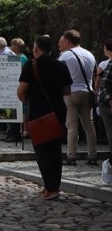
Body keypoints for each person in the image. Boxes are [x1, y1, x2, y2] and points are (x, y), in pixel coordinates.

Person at [17, 35, 72, 200]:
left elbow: (21, 91)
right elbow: (67, 90)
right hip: (57, 112)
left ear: (36, 48)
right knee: (55, 150)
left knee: (42, 151)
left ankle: (50, 188)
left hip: (39, 112)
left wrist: (28, 98)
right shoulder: (61, 65)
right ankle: (53, 185)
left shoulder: (31, 65)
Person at [57, 29, 98, 166]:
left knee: (72, 126)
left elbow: (58, 74)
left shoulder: (65, 56)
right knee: (89, 126)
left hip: (71, 93)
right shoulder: (90, 54)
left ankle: (71, 156)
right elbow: (94, 74)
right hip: (87, 92)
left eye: (62, 41)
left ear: (68, 41)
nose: (60, 44)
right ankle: (92, 156)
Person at [95, 39, 112, 148]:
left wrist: (97, 93)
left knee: (109, 129)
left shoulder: (104, 64)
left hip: (106, 101)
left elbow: (100, 83)